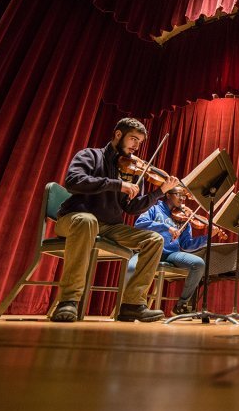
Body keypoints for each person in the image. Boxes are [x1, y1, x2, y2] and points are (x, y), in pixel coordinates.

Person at [52, 118, 179, 323]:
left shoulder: (131, 169)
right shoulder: (90, 155)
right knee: (87, 221)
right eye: (133, 139)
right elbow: (73, 181)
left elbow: (131, 208)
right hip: (74, 219)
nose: (137, 146)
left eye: (140, 142)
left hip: (110, 227)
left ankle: (132, 304)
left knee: (154, 240)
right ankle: (68, 300)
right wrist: (116, 184)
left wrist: (159, 192)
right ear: (118, 135)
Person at [135, 185, 227, 315]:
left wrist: (208, 237)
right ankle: (132, 305)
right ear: (168, 194)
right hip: (149, 251)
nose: (182, 199)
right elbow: (139, 224)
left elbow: (187, 244)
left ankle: (181, 305)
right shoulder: (154, 209)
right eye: (179, 195)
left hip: (170, 254)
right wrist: (166, 227)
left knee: (199, 264)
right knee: (131, 267)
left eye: (184, 196)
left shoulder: (184, 219)